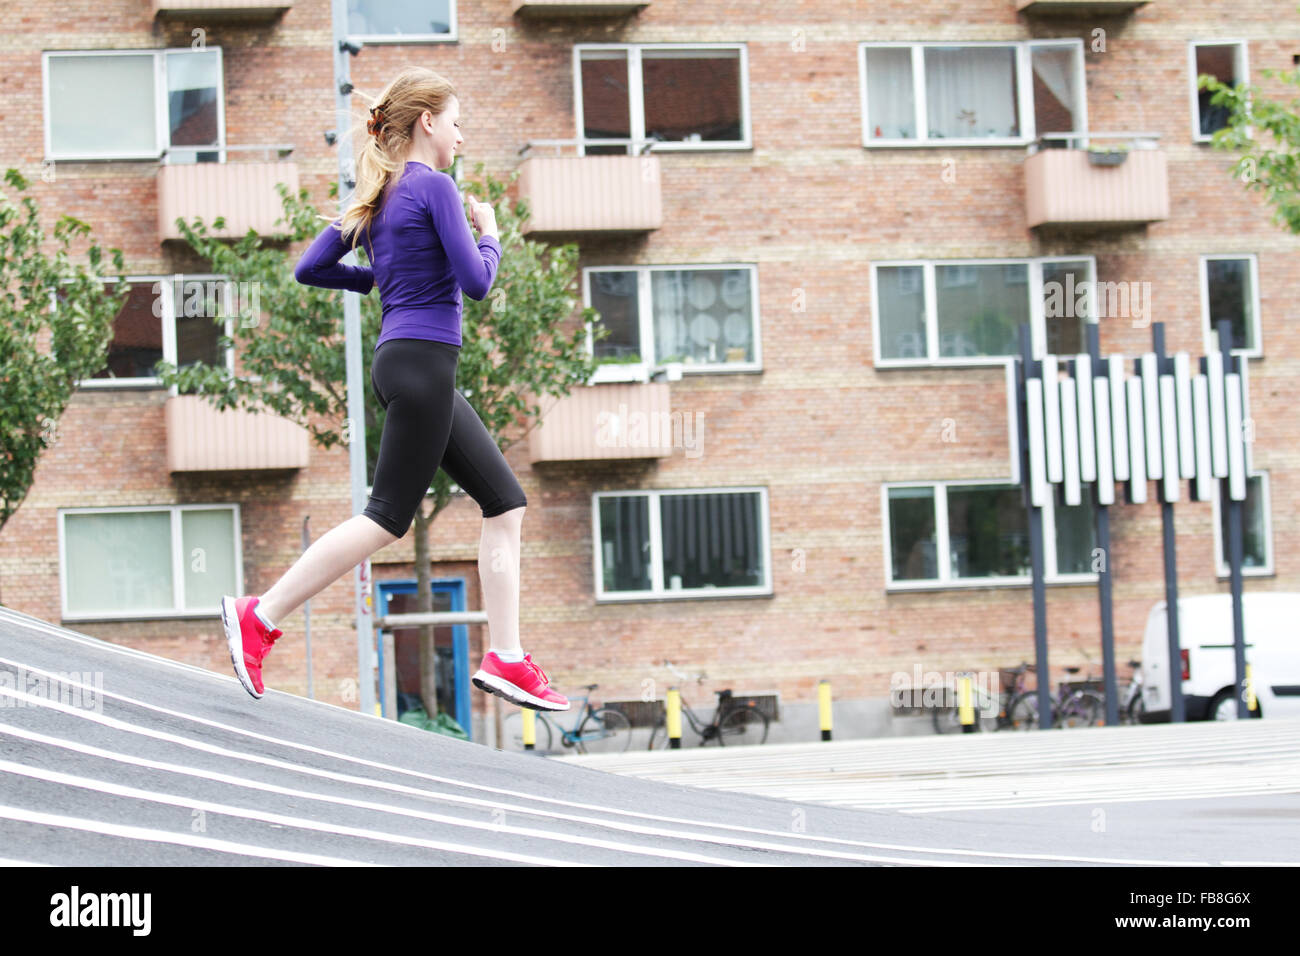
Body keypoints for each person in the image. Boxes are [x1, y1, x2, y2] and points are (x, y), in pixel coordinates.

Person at [219, 67, 569, 713]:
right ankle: (258, 616)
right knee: (386, 518)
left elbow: (311, 267)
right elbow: (476, 282)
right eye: (457, 122)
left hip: (404, 361)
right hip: (424, 365)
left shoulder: (378, 196)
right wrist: (491, 234)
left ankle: (507, 657)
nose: (462, 137)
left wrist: (379, 282)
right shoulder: (434, 187)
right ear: (428, 121)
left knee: (505, 503)